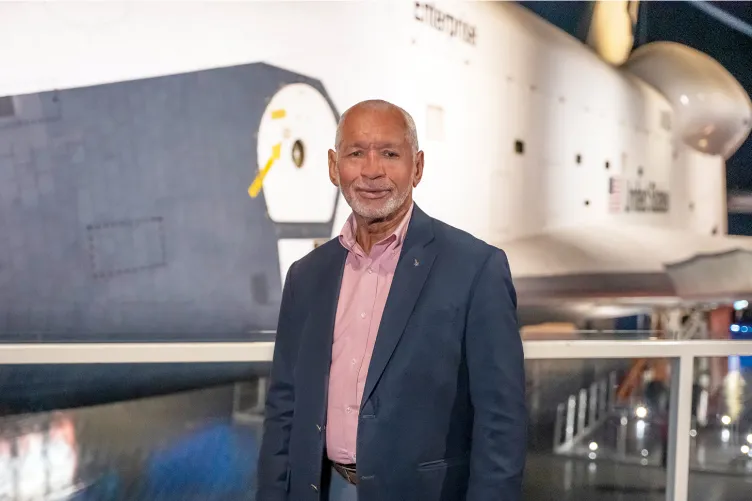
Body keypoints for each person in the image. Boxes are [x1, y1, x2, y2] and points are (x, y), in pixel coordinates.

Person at [256, 99, 527, 501]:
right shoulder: (306, 276)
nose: (371, 170)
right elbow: (284, 410)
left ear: (417, 167)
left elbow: (501, 424)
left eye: (389, 153)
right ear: (334, 167)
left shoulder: (475, 268)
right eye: (355, 154)